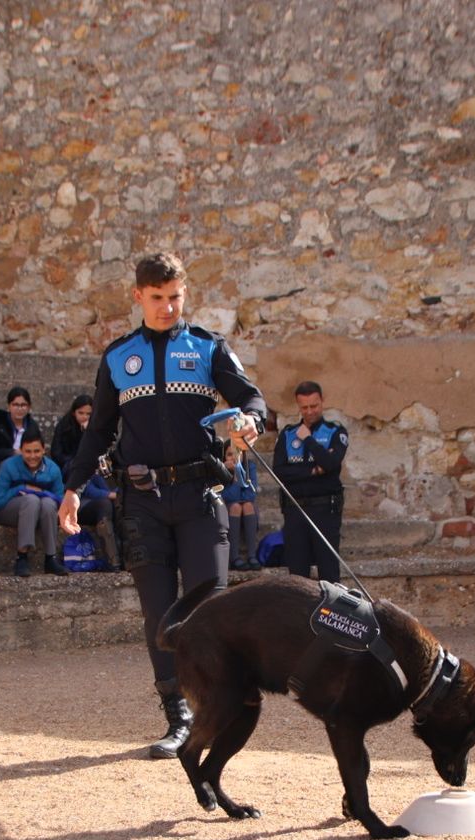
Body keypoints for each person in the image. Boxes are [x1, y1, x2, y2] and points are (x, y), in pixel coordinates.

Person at [58, 251, 265, 758]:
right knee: (159, 616)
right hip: (142, 502)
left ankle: (217, 706)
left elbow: (252, 398)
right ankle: (179, 716)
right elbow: (100, 430)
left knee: (210, 607)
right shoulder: (117, 357)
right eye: (157, 299)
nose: (168, 307)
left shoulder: (207, 347)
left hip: (200, 497)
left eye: (175, 297)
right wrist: (73, 487)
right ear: (138, 297)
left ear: (184, 294)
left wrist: (250, 421)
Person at [274, 380, 348, 583]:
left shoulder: (335, 432)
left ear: (322, 402)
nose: (309, 412)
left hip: (325, 510)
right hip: (295, 510)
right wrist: (315, 470)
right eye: (304, 407)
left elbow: (331, 464)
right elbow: (280, 472)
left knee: (329, 574)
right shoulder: (288, 435)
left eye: (314, 406)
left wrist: (308, 440)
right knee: (297, 576)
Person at [0, 428, 66, 577]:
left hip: (43, 512)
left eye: (36, 451)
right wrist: (21, 489)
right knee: (31, 500)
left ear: (44, 450)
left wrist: (41, 492)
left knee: (48, 503)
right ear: (21, 450)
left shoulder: (53, 469)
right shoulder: (8, 466)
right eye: (28, 451)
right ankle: (22, 556)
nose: (33, 456)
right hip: (10, 510)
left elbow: (60, 501)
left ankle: (50, 557)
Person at [0, 386, 39, 481]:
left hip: (27, 463)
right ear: (9, 406)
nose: (19, 408)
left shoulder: (32, 426)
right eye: (15, 405)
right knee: (10, 464)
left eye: (23, 405)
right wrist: (12, 452)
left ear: (29, 407)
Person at [222, 443, 260, 570]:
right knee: (236, 507)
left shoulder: (250, 467)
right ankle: (234, 557)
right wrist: (236, 476)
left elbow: (251, 495)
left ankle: (252, 555)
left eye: (237, 453)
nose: (233, 458)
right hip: (228, 510)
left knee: (248, 505)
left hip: (247, 508)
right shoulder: (220, 470)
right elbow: (227, 497)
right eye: (229, 454)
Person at [49, 393, 93, 478]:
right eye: (81, 413)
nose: (85, 417)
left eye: (88, 414)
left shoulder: (94, 428)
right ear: (74, 413)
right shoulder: (64, 426)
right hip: (67, 465)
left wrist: (87, 432)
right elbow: (56, 452)